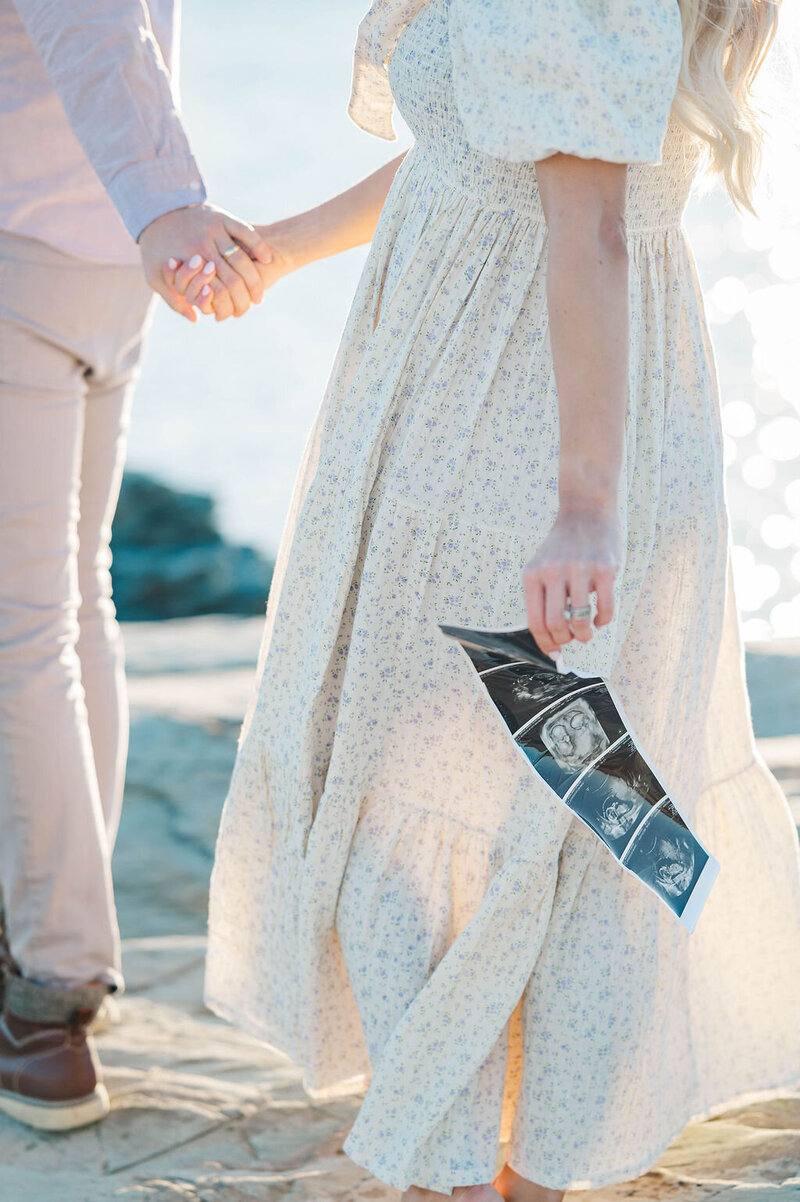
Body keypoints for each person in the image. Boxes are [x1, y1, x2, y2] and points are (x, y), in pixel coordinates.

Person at [178, 0, 800, 1199]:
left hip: (506, 419)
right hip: (577, 405)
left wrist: (579, 504)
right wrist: (286, 244)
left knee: (445, 794)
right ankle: (511, 1163)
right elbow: (491, 149)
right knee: (577, 795)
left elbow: (589, 230)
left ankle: (464, 1173)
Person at [0, 0, 272, 1132]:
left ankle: (50, 991)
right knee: (71, 604)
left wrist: (168, 203)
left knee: (26, 627)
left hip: (29, 245)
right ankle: (63, 944)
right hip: (105, 255)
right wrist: (155, 210)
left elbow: (89, 25)